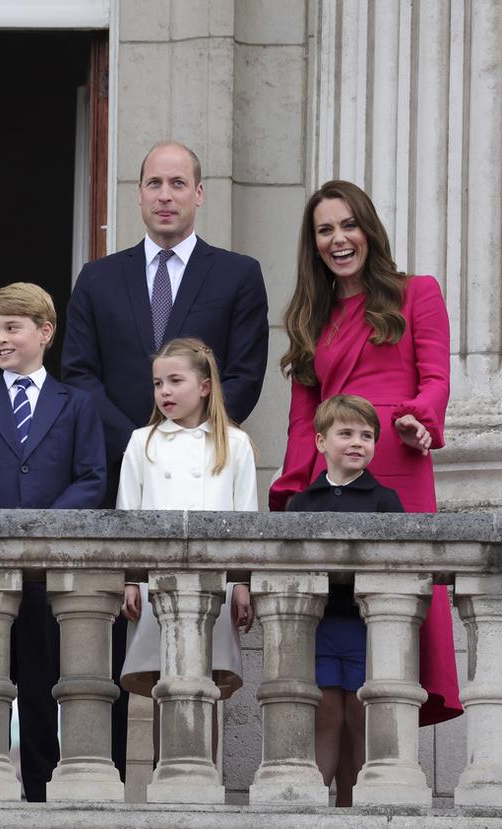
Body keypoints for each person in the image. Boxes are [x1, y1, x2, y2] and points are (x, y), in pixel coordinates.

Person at [62, 140, 269, 773]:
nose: (165, 195)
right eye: (154, 183)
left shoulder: (236, 274)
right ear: (139, 193)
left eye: (178, 183)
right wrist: (144, 436)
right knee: (131, 665)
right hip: (129, 484)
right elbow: (78, 373)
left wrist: (188, 429)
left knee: (202, 671)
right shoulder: (99, 278)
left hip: (206, 485)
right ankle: (126, 791)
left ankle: (191, 781)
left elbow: (246, 371)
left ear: (199, 193)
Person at [268, 179, 461, 778]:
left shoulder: (416, 292)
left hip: (398, 462)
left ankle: (382, 787)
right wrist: (290, 493)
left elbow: (435, 378)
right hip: (331, 479)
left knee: (393, 637)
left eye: (347, 225)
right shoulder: (310, 316)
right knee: (333, 654)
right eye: (325, 230)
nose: (338, 239)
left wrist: (420, 420)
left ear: (368, 229)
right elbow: (304, 420)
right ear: (314, 243)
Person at [0, 282, 105, 801]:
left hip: (51, 574)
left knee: (42, 687)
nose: (0, 340)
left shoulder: (77, 404)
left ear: (45, 332)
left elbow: (93, 477)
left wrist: (44, 528)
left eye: (12, 328)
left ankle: (40, 798)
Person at [117, 338, 256, 718]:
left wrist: (242, 582)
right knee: (165, 689)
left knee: (206, 688)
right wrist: (131, 579)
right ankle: (167, 776)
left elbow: (246, 517)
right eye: (158, 383)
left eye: (175, 381)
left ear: (205, 386)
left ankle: (205, 778)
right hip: (156, 582)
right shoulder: (142, 442)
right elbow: (127, 514)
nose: (164, 391)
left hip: (216, 581)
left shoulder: (236, 444)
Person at [286, 394, 403, 806]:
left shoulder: (384, 501)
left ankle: (352, 809)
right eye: (346, 433)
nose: (357, 442)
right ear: (320, 442)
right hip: (318, 630)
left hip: (364, 630)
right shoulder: (302, 503)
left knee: (359, 717)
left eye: (367, 435)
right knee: (325, 717)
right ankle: (315, 807)